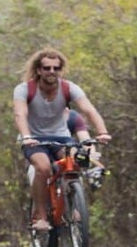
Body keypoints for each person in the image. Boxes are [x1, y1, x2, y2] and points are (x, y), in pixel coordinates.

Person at [13, 47, 111, 231]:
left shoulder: (69, 88)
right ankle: (40, 217)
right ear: (38, 69)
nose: (51, 72)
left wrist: (102, 132)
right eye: (47, 68)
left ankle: (72, 204)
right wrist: (26, 136)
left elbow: (89, 110)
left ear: (61, 69)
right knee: (43, 168)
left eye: (56, 68)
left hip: (61, 138)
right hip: (34, 139)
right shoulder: (24, 89)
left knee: (76, 162)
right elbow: (20, 114)